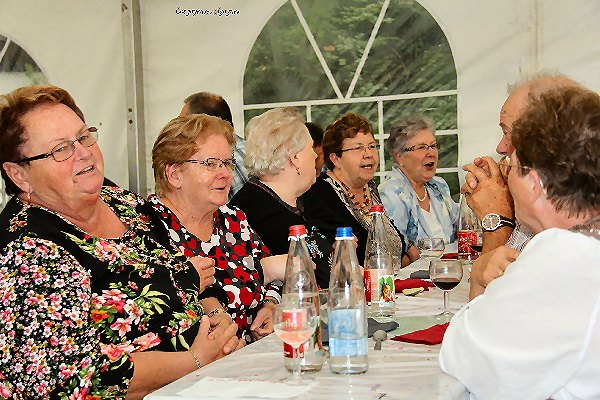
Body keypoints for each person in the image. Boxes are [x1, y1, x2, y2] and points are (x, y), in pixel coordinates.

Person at [0, 85, 242, 399]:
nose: (84, 152)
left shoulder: (122, 203)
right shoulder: (27, 250)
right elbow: (66, 380)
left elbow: (186, 276)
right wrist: (193, 361)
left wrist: (216, 315)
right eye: (61, 149)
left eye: (84, 137)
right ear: (19, 174)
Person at [440, 85, 600, 400]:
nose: (506, 175)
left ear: (535, 184)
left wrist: (495, 226)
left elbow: (464, 359)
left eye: (512, 166)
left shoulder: (563, 253)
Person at [148, 113, 286, 343]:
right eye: (210, 164)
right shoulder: (150, 227)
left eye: (227, 163)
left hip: (252, 357)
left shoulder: (232, 219)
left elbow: (272, 276)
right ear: (174, 175)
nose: (225, 173)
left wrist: (270, 305)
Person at [463, 73, 580, 298]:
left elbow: (498, 304)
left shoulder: (565, 220)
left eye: (507, 132)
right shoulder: (559, 206)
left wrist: (496, 219)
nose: (499, 147)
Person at [230, 108, 334, 288]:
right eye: (310, 148)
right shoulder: (253, 211)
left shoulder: (302, 199)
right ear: (294, 158)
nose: (316, 155)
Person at [301, 112, 419, 266]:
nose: (369, 154)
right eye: (358, 148)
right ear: (335, 159)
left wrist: (407, 248)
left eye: (371, 146)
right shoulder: (319, 193)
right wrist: (403, 259)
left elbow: (391, 240)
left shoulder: (369, 187)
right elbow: (356, 256)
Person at [379, 115, 458, 247]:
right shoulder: (391, 194)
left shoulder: (438, 186)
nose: (431, 153)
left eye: (433, 146)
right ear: (400, 157)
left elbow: (462, 226)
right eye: (421, 147)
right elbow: (393, 251)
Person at [180, 92, 248, 200]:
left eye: (183, 122)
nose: (180, 129)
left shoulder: (200, 163)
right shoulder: (250, 150)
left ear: (200, 126)